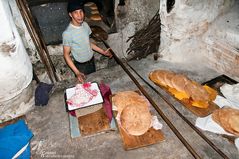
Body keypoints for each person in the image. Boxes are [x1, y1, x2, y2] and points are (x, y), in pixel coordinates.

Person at [62, 1, 112, 83]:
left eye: (81, 11)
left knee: (94, 84)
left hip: (91, 61)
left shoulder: (85, 25)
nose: (79, 15)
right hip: (81, 66)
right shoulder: (67, 33)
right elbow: (66, 54)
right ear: (70, 14)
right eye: (76, 12)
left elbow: (88, 43)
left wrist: (103, 52)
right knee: (85, 89)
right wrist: (77, 72)